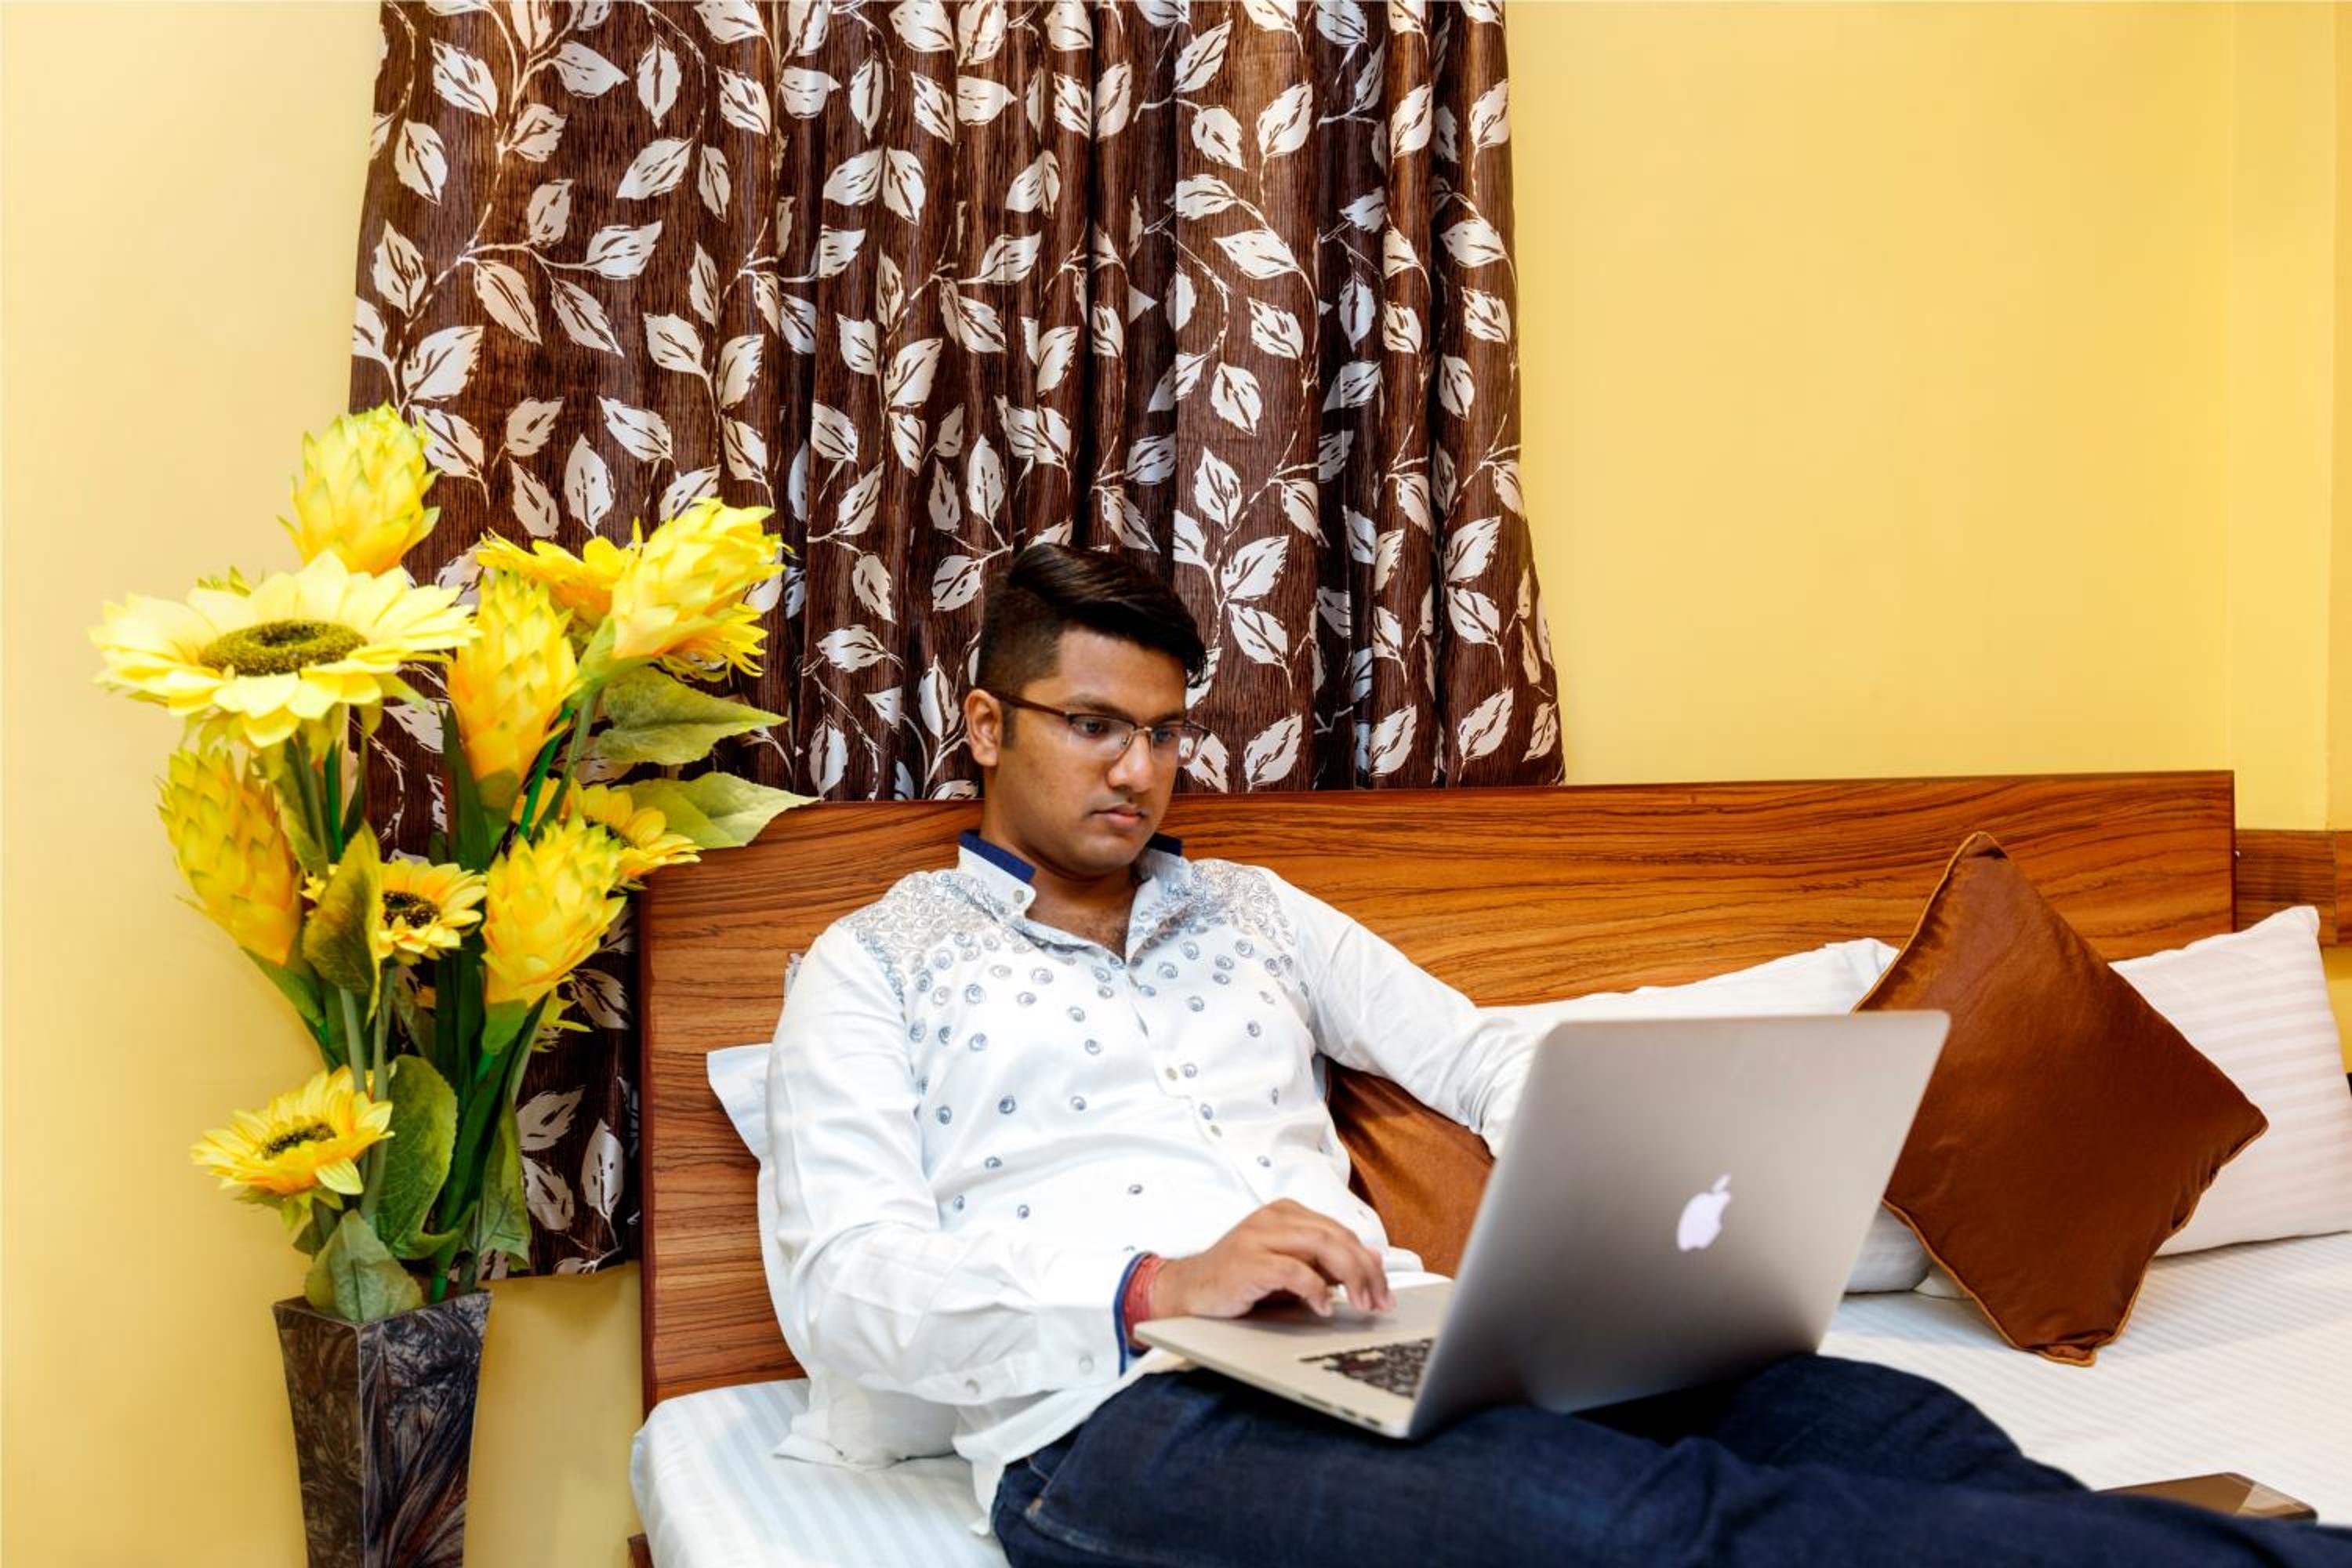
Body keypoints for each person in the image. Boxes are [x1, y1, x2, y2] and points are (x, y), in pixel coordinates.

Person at [768, 543, 2351, 1566]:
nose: (1140, 768)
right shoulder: (871, 967)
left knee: (1891, 1427)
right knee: (1651, 1529)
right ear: (986, 725)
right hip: (1111, 1420)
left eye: (1168, 730)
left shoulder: (1253, 911)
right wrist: (1158, 1285)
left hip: (1399, 1344)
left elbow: (1478, 1056)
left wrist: (1625, 1181)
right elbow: (846, 1290)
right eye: (1094, 724)